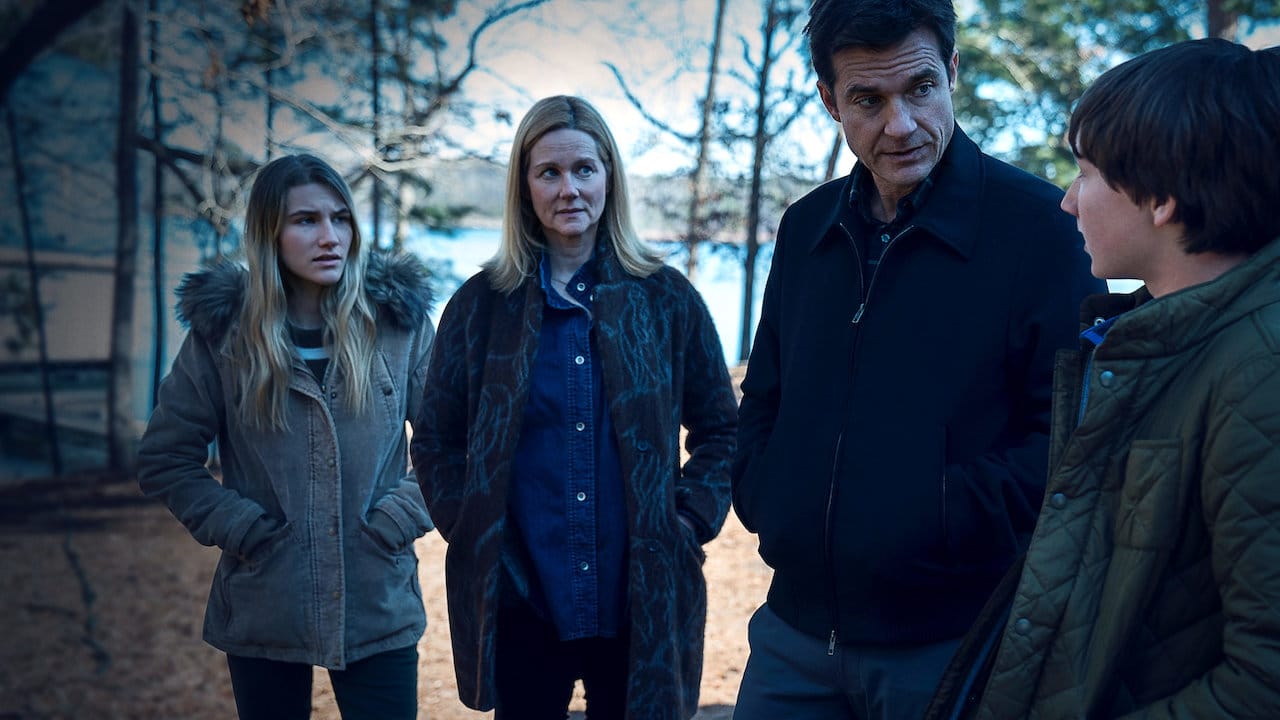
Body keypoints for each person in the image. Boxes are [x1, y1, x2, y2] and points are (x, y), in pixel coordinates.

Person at [730, 0, 1105, 717]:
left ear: (953, 72)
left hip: (953, 644)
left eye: (921, 89)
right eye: (868, 100)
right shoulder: (805, 227)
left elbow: (1073, 438)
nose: (900, 125)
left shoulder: (1044, 230)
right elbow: (767, 396)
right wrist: (767, 495)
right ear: (828, 99)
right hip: (791, 638)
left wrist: (930, 517)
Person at [925, 38, 1280, 720]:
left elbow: (1265, 683)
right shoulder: (1156, 343)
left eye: (1086, 173)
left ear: (1163, 197)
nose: (1067, 201)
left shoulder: (1257, 371)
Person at [410, 95, 737, 720]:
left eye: (584, 169)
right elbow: (434, 442)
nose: (569, 189)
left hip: (638, 596)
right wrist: (476, 530)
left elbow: (722, 428)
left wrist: (688, 522)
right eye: (549, 172)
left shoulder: (666, 300)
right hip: (522, 597)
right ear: (524, 187)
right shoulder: (480, 307)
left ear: (609, 177)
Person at [136, 153, 436, 720]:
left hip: (378, 597)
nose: (330, 237)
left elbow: (454, 447)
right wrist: (241, 527)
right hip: (265, 596)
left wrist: (396, 521)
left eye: (340, 218)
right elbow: (165, 458)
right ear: (269, 231)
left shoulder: (399, 325)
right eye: (306, 221)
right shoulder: (223, 335)